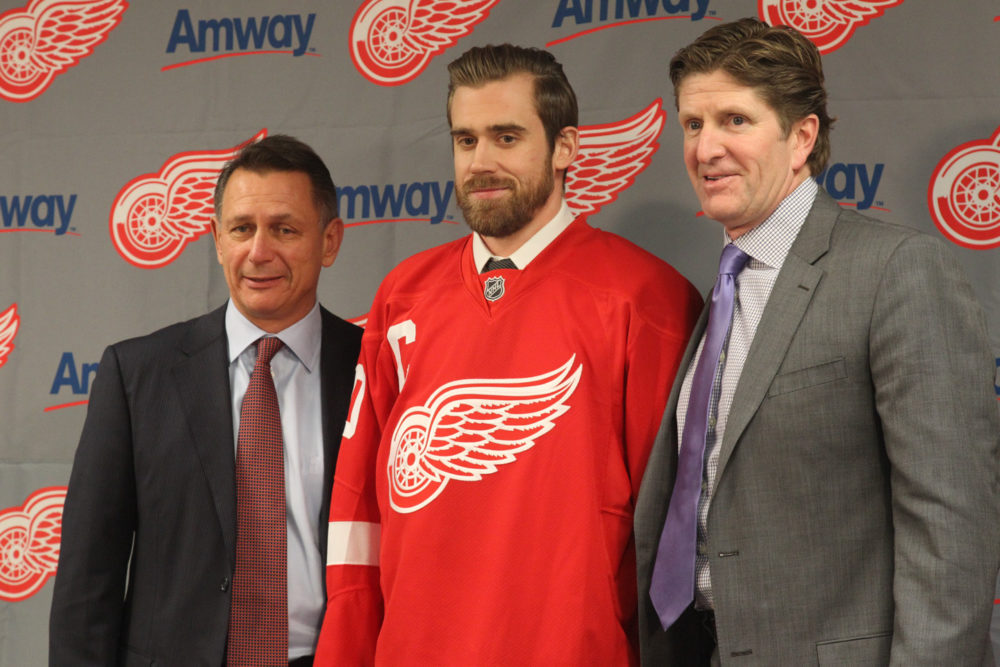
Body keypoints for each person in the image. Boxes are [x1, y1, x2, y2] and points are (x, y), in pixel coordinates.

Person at [315, 44, 702, 665]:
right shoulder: (402, 296)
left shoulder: (646, 299)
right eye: (465, 140)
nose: (481, 162)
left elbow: (671, 531)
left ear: (565, 147)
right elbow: (357, 502)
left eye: (506, 136)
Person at [634, 18, 1000, 665]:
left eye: (734, 121)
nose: (705, 147)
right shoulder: (719, 293)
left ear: (802, 136)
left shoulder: (896, 271)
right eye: (693, 124)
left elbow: (951, 525)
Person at [49, 135, 362, 665]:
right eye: (242, 229)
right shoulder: (136, 375)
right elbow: (87, 578)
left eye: (284, 229)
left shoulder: (375, 371)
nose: (259, 252)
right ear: (217, 240)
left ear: (330, 241)